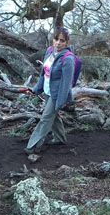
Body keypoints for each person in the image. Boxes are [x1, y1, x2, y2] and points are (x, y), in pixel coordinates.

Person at [24, 27, 75, 160]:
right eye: (56, 39)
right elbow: (43, 73)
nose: (58, 43)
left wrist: (60, 101)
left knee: (46, 118)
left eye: (62, 41)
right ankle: (60, 138)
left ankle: (32, 146)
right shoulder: (49, 51)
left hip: (57, 94)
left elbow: (66, 83)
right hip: (47, 90)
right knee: (53, 116)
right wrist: (36, 89)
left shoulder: (68, 59)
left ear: (67, 43)